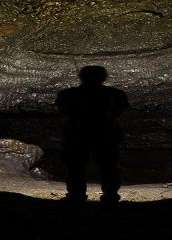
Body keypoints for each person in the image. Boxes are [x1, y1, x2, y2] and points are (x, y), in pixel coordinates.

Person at [55, 65, 131, 206]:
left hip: (78, 134)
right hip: (105, 133)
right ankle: (111, 196)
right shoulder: (115, 94)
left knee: (75, 166)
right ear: (104, 77)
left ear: (81, 77)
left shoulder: (67, 94)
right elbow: (120, 111)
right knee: (108, 166)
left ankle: (76, 196)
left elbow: (63, 113)